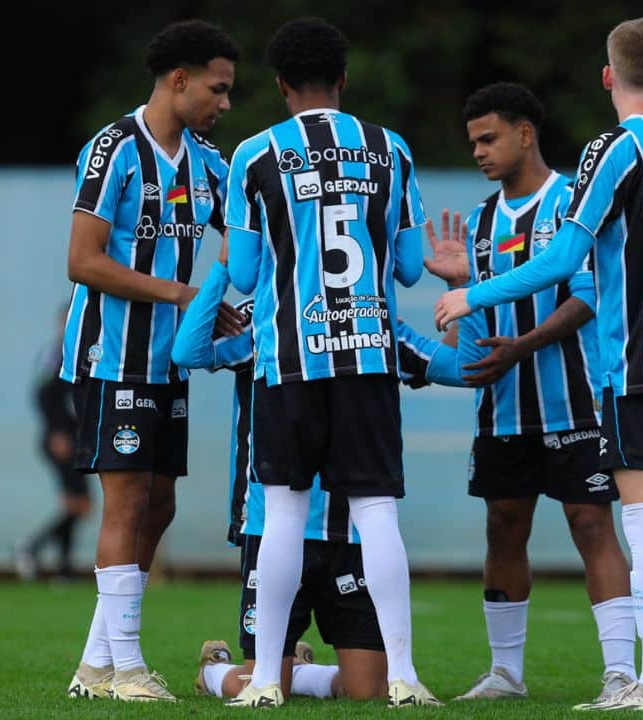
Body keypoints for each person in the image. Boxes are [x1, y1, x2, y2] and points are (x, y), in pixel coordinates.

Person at [434, 18, 643, 711]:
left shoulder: (613, 149)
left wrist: (469, 292)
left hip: (637, 360)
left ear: (609, 76)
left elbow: (565, 262)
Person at [223, 16, 438, 708]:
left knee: (283, 512)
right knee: (377, 512)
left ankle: (263, 682)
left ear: (281, 84)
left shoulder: (254, 155)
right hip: (369, 359)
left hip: (288, 361)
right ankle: (404, 675)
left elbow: (249, 272)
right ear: (343, 80)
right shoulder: (390, 149)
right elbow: (408, 268)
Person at [418, 82, 636, 705]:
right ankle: (505, 674)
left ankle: (621, 673)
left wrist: (526, 344)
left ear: (524, 133)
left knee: (591, 524)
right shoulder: (483, 222)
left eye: (489, 138)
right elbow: (474, 338)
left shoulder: (574, 202)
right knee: (503, 527)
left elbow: (589, 297)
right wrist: (462, 288)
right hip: (506, 412)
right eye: (473, 144)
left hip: (576, 403)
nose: (480, 153)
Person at [173, 241, 452, 704]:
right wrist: (224, 264)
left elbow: (462, 367)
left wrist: (461, 289)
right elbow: (188, 350)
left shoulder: (369, 322)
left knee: (366, 691)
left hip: (349, 532)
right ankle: (216, 671)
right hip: (272, 523)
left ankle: (301, 672)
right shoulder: (264, 315)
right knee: (265, 683)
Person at [60, 19, 242, 702]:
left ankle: (94, 665)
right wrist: (184, 293)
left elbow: (247, 233)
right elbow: (82, 260)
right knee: (128, 501)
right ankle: (129, 667)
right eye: (218, 90)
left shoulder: (208, 161)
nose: (225, 103)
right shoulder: (114, 149)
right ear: (179, 80)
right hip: (114, 357)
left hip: (169, 361)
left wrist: (237, 296)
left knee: (158, 504)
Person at [15, 305, 91, 582]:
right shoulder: (57, 352)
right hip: (60, 439)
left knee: (74, 503)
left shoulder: (75, 351)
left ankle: (64, 568)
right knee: (80, 504)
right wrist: (58, 431)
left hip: (72, 437)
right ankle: (32, 547)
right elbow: (43, 394)